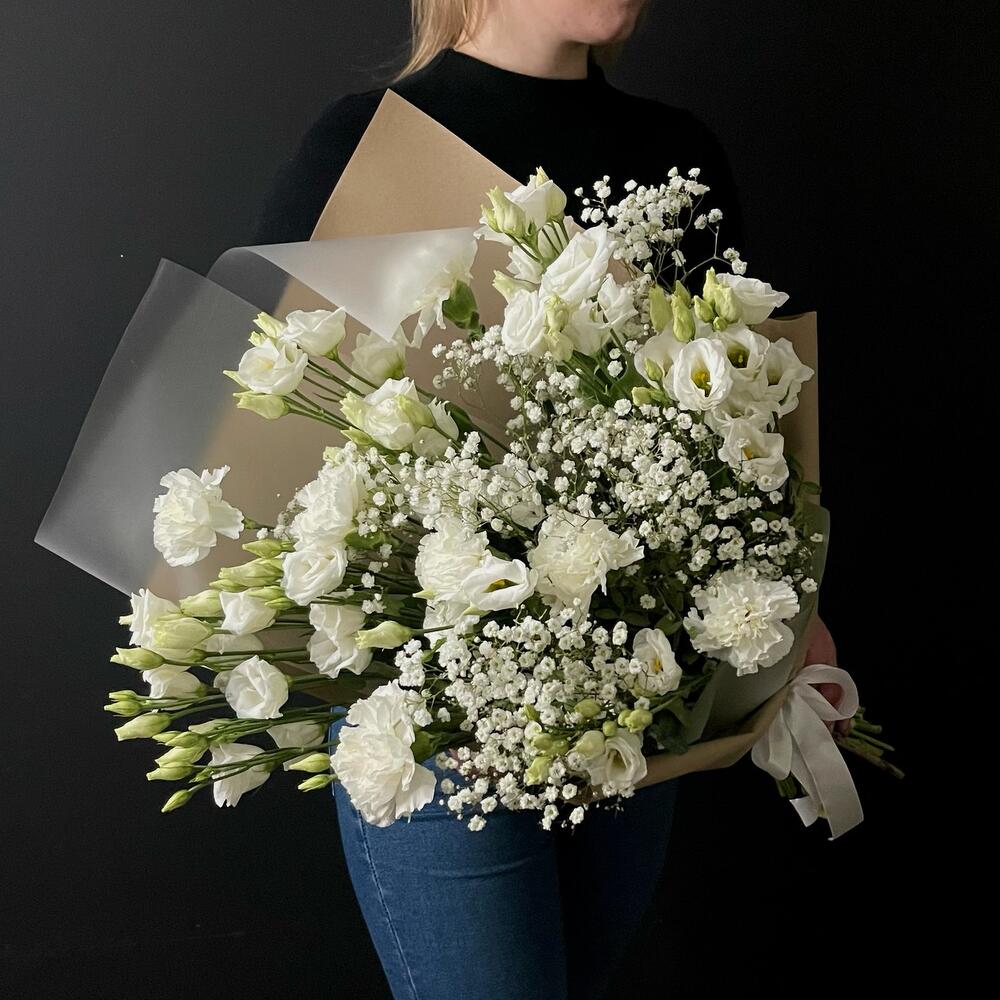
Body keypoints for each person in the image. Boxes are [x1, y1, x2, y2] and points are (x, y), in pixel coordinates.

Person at [252, 3, 842, 998]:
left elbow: (744, 427)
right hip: (437, 731)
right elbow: (280, 441)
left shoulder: (677, 154)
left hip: (637, 706)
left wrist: (797, 606)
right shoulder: (367, 145)